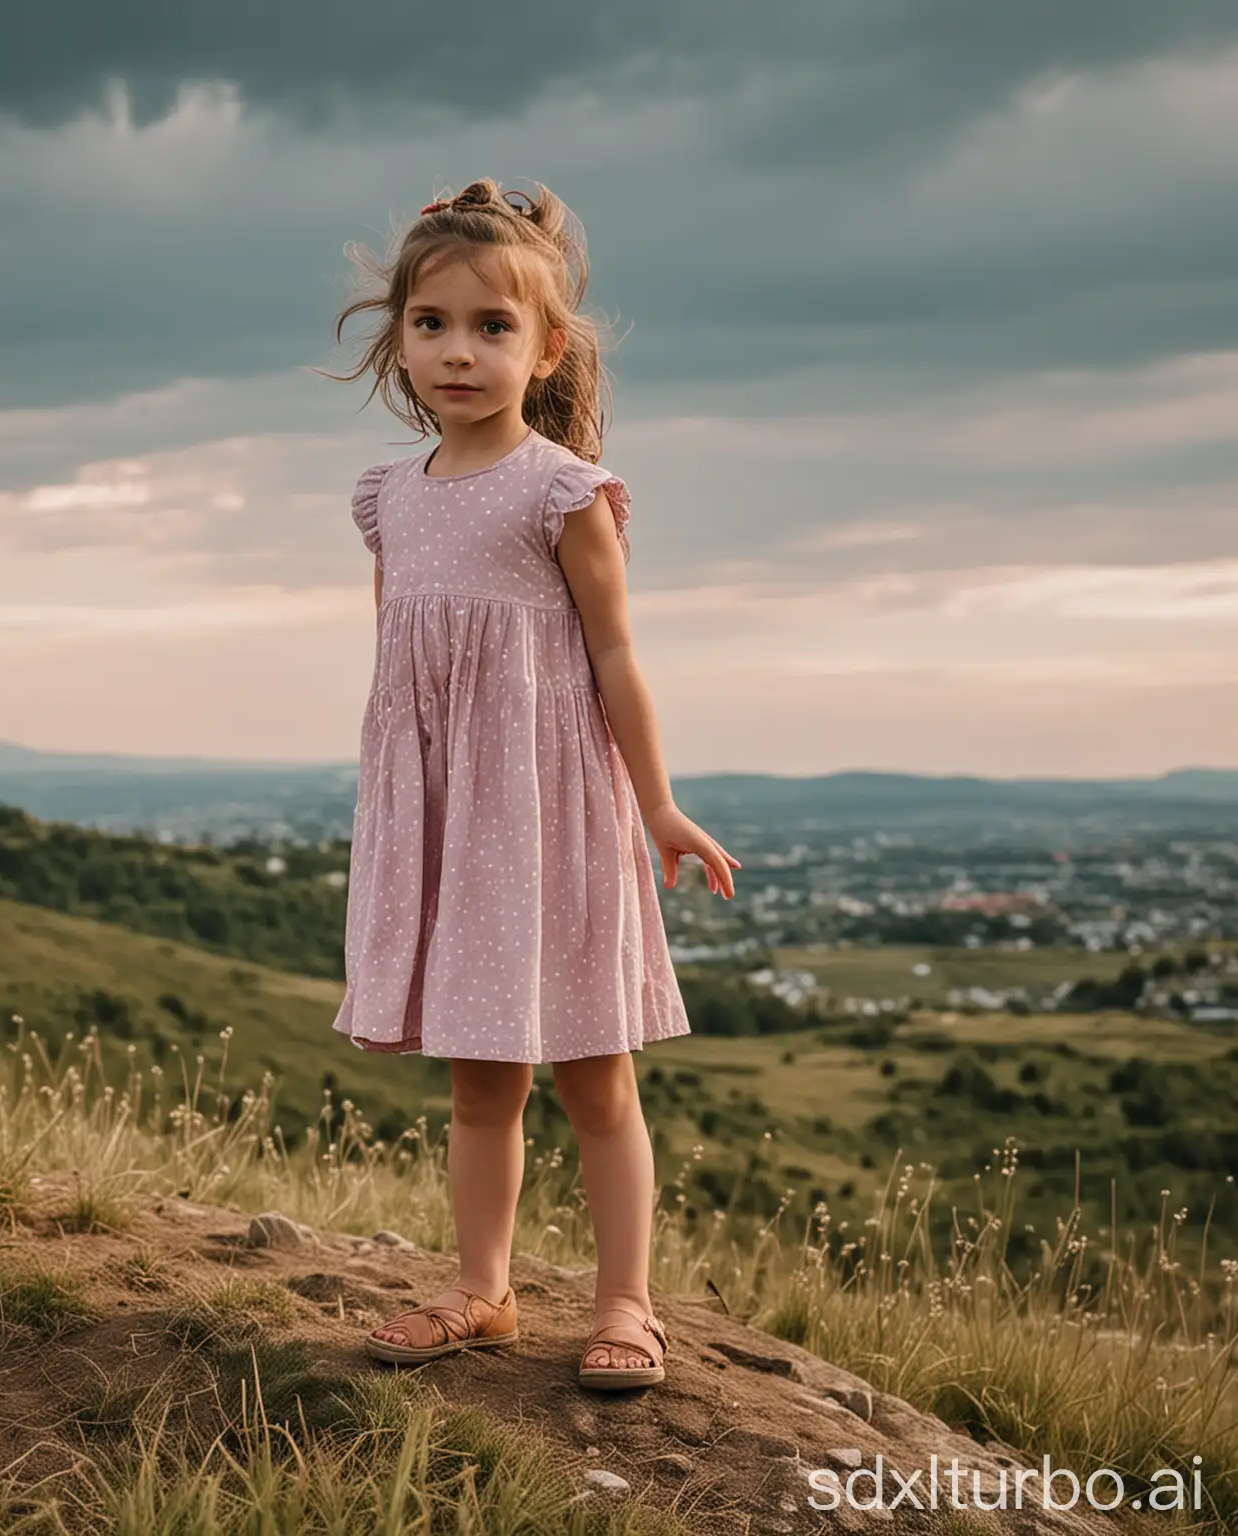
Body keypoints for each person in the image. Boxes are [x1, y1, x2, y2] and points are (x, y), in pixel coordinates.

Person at [318, 177, 739, 1390]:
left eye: (493, 327)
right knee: (480, 1083)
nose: (459, 350)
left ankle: (625, 1306)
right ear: (398, 334)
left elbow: (615, 656)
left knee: (597, 1080)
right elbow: (405, 667)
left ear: (547, 346)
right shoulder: (386, 494)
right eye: (433, 322)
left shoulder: (563, 490)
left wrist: (658, 802)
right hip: (451, 818)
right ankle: (483, 1290)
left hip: (554, 814)